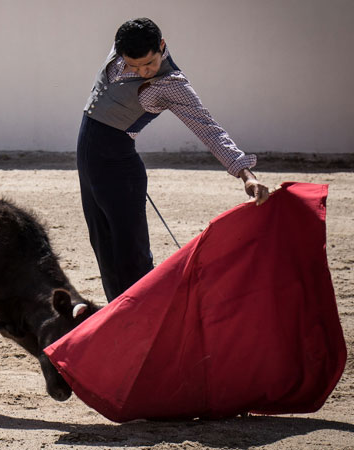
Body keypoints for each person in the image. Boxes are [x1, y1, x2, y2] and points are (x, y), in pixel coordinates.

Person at [77, 17, 269, 303]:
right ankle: (119, 323)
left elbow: (208, 128)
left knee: (131, 254)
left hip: (119, 170)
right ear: (119, 52)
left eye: (149, 64)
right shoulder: (122, 47)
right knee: (103, 245)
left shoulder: (171, 83)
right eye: (134, 65)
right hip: (89, 163)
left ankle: (150, 318)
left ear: (162, 46)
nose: (142, 71)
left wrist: (246, 174)